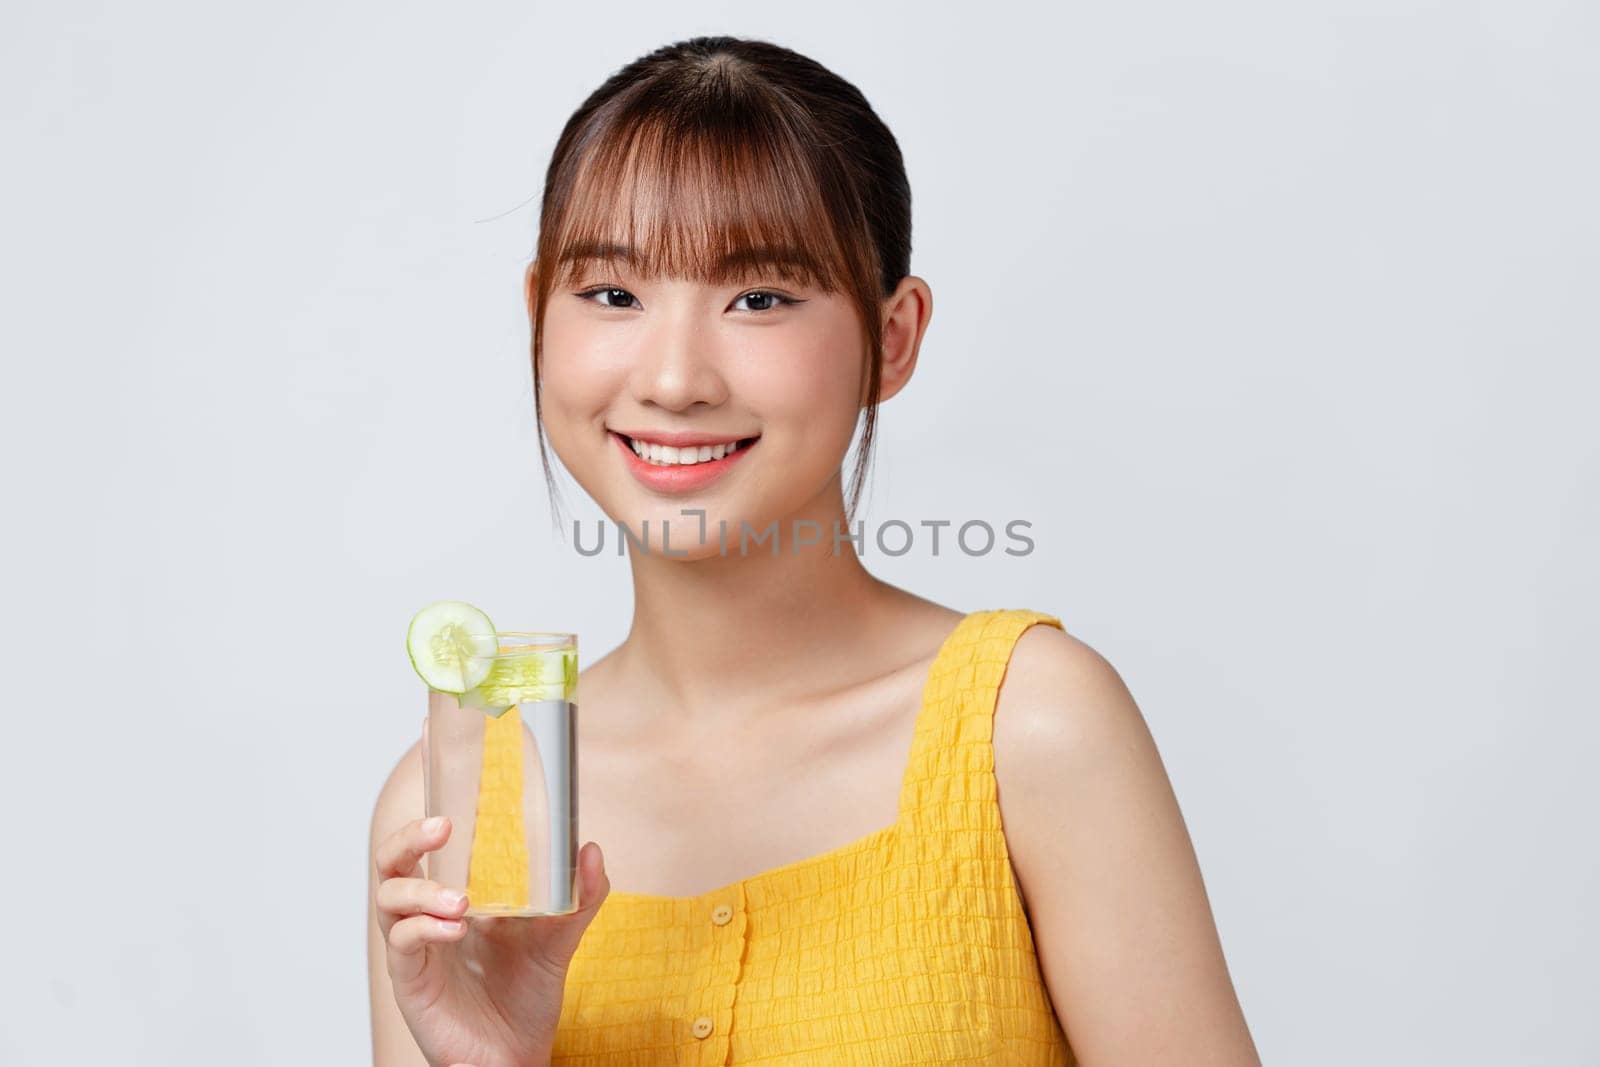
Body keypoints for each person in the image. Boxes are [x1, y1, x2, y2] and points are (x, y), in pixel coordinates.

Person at [368, 34, 1261, 1067]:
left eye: (760, 297)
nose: (672, 378)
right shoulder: (452, 806)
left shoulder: (1030, 728)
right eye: (612, 294)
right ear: (537, 319)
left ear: (893, 338)